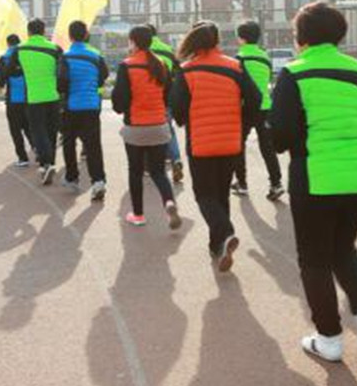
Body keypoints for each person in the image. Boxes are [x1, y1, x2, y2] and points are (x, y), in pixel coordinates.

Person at [269, 2, 357, 362]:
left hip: (315, 176)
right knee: (343, 248)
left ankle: (329, 338)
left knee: (314, 260)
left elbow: (280, 135)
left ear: (301, 38)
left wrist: (301, 141)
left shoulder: (294, 73)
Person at [171, 20, 261, 272]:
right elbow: (256, 99)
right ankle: (217, 245)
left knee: (204, 195)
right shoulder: (235, 66)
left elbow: (178, 110)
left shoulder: (187, 71)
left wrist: (186, 118)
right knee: (221, 195)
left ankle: (225, 232)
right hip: (231, 142)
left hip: (201, 143)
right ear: (217, 40)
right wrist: (241, 124)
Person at [111, 25, 180, 228]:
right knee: (159, 172)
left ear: (133, 41)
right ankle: (169, 202)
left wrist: (121, 109)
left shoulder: (127, 65)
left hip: (136, 127)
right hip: (159, 125)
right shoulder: (161, 64)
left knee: (135, 171)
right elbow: (168, 95)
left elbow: (119, 99)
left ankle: (138, 215)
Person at [4, 19, 62, 185]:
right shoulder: (55, 48)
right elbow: (62, 72)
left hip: (33, 98)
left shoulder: (19, 49)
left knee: (38, 131)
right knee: (51, 132)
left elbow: (9, 71)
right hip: (53, 97)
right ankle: (50, 163)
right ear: (44, 31)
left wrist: (24, 68)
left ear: (28, 32)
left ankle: (45, 164)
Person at [58, 20, 110, 201]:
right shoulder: (96, 56)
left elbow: (61, 83)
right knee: (93, 145)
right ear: (86, 35)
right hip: (92, 106)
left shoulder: (65, 57)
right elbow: (103, 76)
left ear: (70, 36)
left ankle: (72, 177)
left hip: (72, 106)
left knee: (69, 142)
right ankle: (98, 181)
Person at [233, 20, 284, 200]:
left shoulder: (239, 59)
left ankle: (242, 183)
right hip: (265, 106)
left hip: (246, 107)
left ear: (241, 38)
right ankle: (276, 183)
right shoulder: (265, 58)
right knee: (267, 148)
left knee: (239, 145)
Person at [147, 23, 185, 183]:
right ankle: (175, 158)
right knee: (168, 128)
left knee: (148, 129)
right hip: (167, 94)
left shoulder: (142, 50)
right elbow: (177, 71)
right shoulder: (168, 49)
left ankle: (150, 165)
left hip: (148, 94)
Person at [0, 34, 33, 167]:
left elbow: (0, 81)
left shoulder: (3, 59)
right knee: (29, 126)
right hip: (28, 99)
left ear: (8, 44)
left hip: (13, 100)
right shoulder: (26, 56)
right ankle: (37, 149)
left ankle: (23, 158)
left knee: (15, 130)